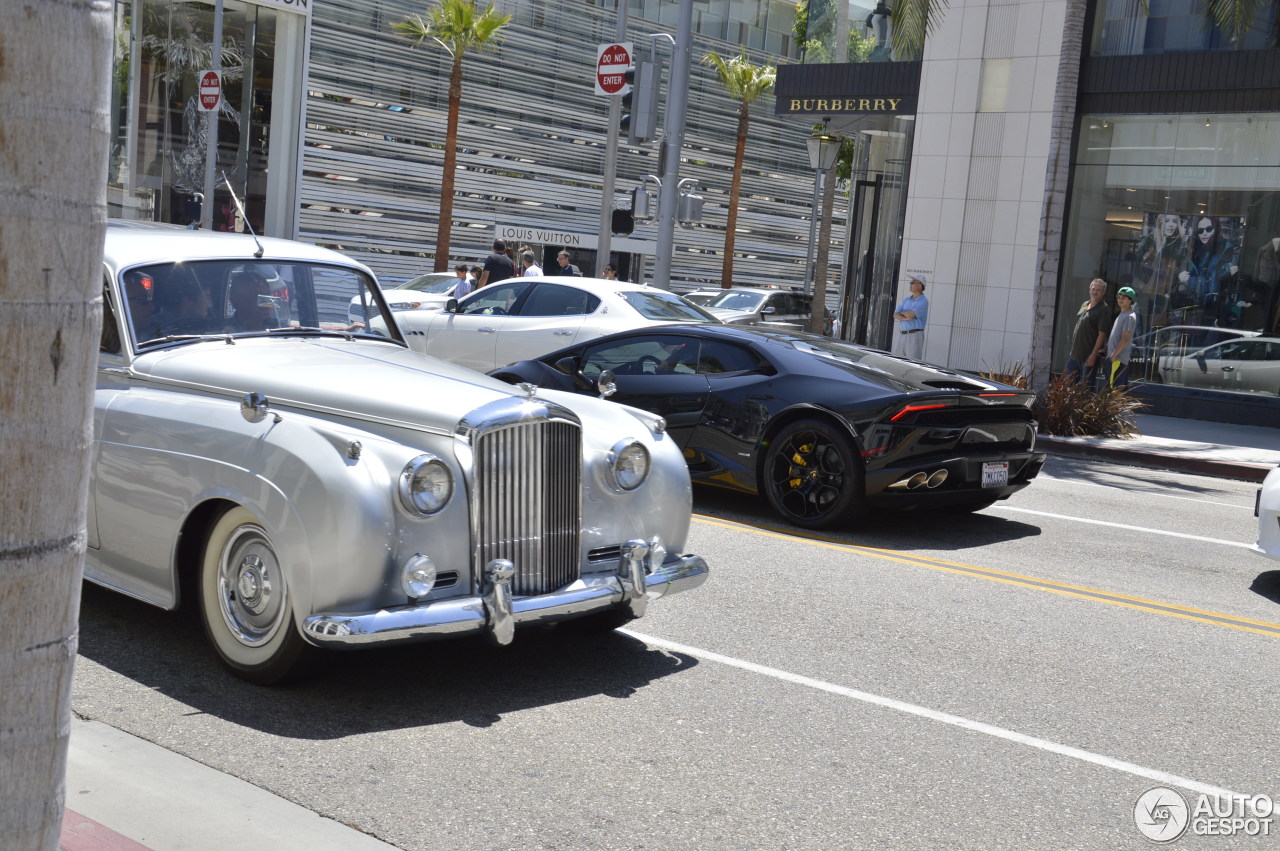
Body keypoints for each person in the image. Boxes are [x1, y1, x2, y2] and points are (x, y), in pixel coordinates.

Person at [1177, 216, 1234, 318]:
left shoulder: (1225, 249)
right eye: (1200, 230)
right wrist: (1181, 275)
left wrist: (1189, 281)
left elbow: (1216, 283)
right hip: (1193, 306)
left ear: (1216, 229)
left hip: (1213, 309)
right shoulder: (1194, 249)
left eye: (1209, 229)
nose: (1204, 233)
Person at [1064, 277, 1112, 385]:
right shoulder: (1085, 304)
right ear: (1089, 290)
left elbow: (1102, 334)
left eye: (1098, 290)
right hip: (1075, 354)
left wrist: (1093, 354)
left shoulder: (1104, 309)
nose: (1095, 292)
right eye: (1093, 289)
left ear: (1103, 292)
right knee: (1068, 387)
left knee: (1085, 389)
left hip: (1088, 357)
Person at [1106, 286, 1139, 388]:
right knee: (1111, 390)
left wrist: (1114, 355)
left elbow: (1125, 338)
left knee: (1116, 393)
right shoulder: (1122, 314)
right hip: (1113, 358)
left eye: (1124, 297)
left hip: (1118, 360)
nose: (1120, 300)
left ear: (1131, 300)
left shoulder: (1129, 316)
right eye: (1118, 297)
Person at [891, 274, 929, 360]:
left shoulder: (923, 301)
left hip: (914, 335)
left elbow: (911, 314)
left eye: (913, 282)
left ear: (920, 286)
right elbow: (895, 314)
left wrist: (902, 313)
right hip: (902, 334)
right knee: (897, 361)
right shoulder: (906, 300)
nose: (910, 284)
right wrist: (904, 317)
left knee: (912, 363)